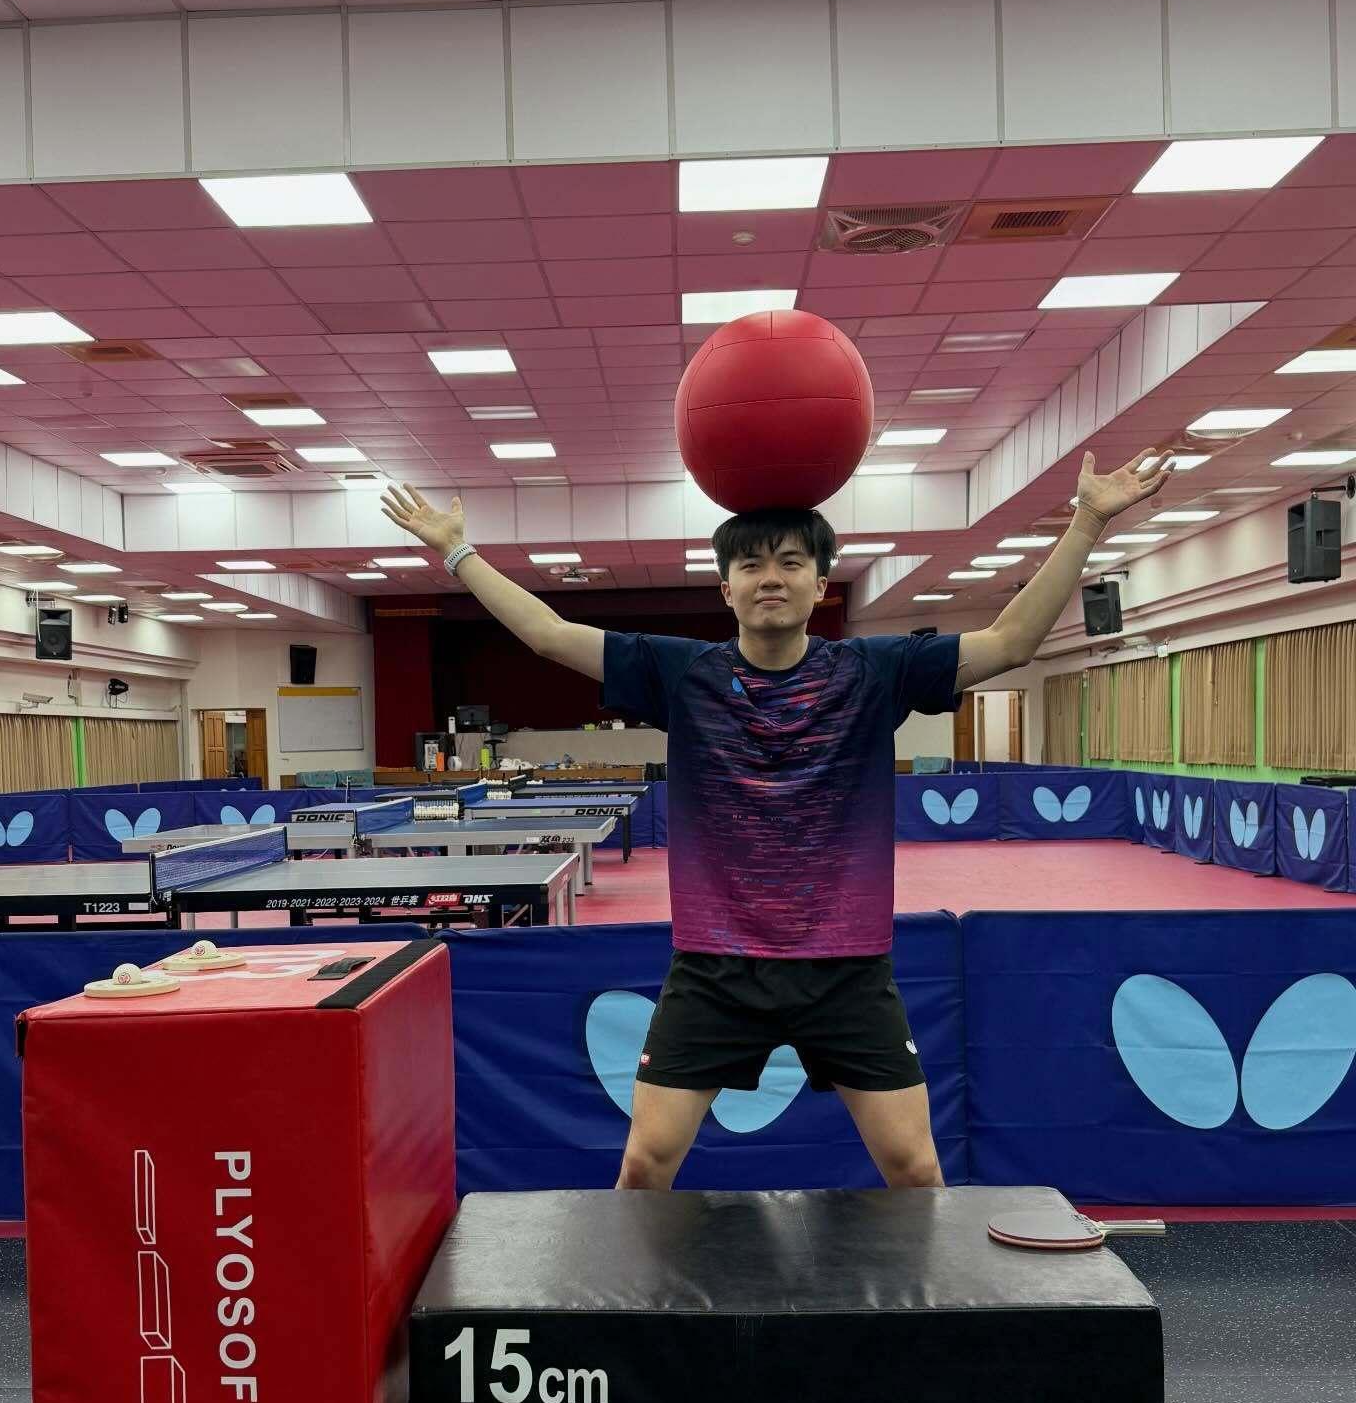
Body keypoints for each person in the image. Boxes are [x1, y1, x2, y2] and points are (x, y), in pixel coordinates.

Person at [381, 445, 1170, 1193]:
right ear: (725, 587)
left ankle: (927, 1330)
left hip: (848, 968)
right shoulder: (679, 672)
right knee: (646, 1164)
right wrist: (457, 552)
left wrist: (1089, 520)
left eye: (792, 561)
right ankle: (629, 1325)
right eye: (751, 563)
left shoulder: (874, 672)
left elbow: (1012, 641)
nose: (771, 577)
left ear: (820, 585)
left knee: (915, 1169)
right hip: (716, 968)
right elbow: (551, 635)